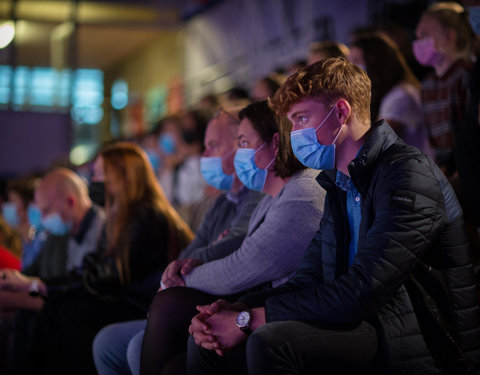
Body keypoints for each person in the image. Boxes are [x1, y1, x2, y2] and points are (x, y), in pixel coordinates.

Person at [188, 58, 480, 375]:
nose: (293, 134)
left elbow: (361, 291)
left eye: (301, 119)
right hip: (362, 321)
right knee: (207, 343)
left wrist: (249, 320)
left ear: (341, 112)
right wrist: (236, 308)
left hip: (413, 333)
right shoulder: (339, 184)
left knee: (271, 341)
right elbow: (308, 278)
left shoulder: (406, 173)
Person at [139, 100, 325, 375]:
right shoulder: (271, 197)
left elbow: (245, 264)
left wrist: (180, 281)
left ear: (275, 143)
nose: (238, 153)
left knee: (170, 307)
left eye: (244, 143)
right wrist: (231, 307)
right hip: (263, 303)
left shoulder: (304, 192)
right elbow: (205, 250)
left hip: (291, 314)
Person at [92, 107, 265, 375]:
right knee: (107, 340)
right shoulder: (221, 202)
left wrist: (182, 273)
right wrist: (180, 269)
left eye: (213, 146)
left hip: (221, 300)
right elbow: (194, 249)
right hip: (193, 295)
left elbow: (233, 248)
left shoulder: (259, 195)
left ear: (240, 146)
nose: (204, 156)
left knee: (133, 343)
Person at [0, 143, 194, 375]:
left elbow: (107, 275)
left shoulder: (146, 215)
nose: (94, 181)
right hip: (129, 298)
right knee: (59, 309)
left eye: (101, 174)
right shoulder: (122, 216)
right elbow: (93, 266)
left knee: (69, 312)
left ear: (123, 177)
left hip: (147, 305)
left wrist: (37, 285)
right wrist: (38, 285)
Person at [414, 2, 475, 178]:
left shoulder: (466, 75)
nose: (418, 43)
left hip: (467, 171)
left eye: (424, 35)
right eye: (417, 36)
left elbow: (470, 135)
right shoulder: (428, 84)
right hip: (442, 173)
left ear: (448, 36)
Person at [349, 31, 432, 154]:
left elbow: (374, 143)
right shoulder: (386, 95)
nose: (350, 68)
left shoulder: (400, 96)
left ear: (376, 62)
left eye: (356, 61)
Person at [3, 176, 47, 270]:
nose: (7, 207)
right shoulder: (24, 238)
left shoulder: (40, 237)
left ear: (28, 204)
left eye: (12, 201)